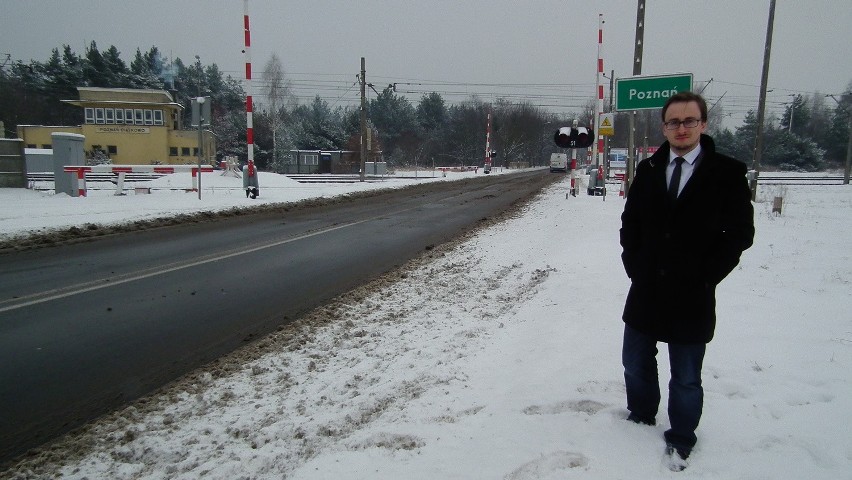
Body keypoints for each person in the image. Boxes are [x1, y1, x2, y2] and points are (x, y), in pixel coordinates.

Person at [618, 91, 754, 470]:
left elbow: (740, 233)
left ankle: (681, 437)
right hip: (646, 288)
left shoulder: (727, 173)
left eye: (689, 120)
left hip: (693, 294)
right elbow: (631, 225)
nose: (681, 128)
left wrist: (708, 275)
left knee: (687, 375)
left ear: (703, 124)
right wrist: (635, 265)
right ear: (664, 127)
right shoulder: (648, 171)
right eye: (673, 122)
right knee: (634, 361)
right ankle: (641, 415)